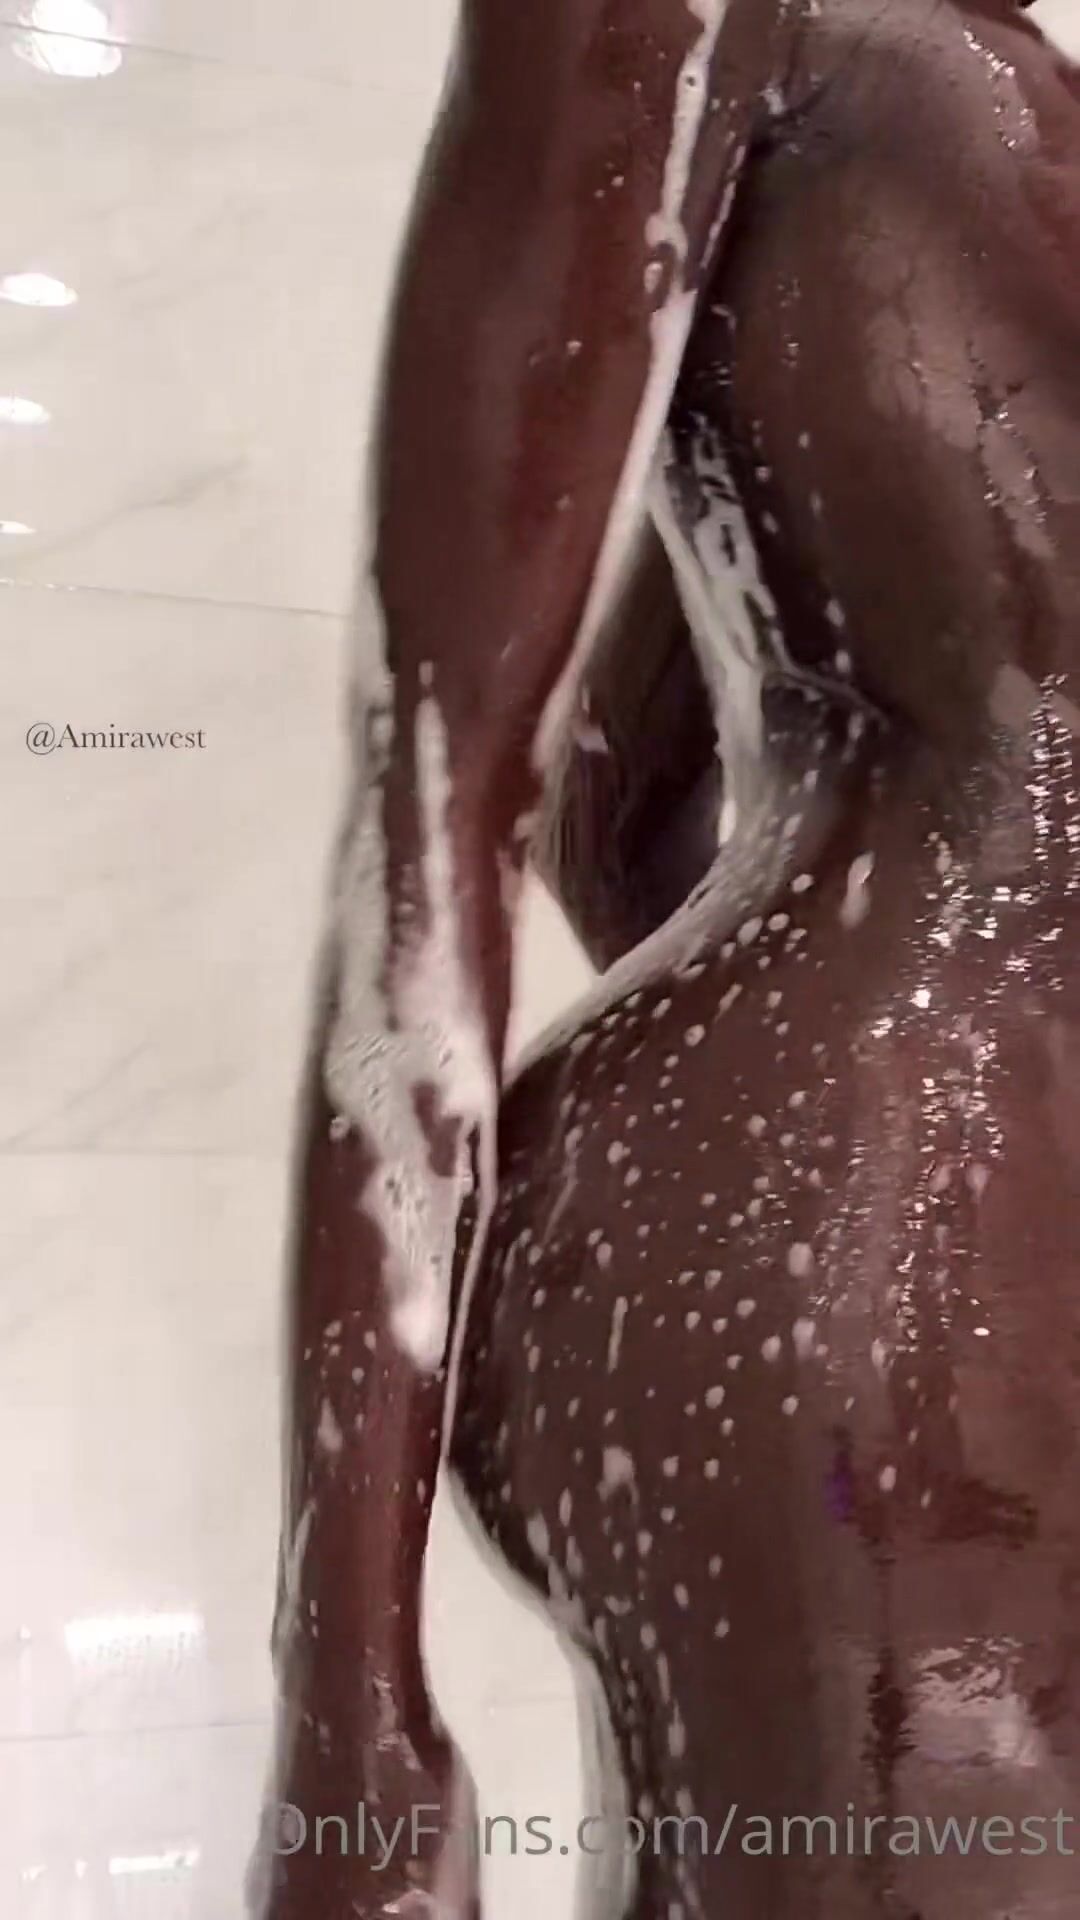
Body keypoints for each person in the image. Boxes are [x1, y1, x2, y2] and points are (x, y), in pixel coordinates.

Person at [251, 2, 1080, 1914]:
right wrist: (344, 1706)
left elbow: (617, 799)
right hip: (885, 1283)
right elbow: (439, 803)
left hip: (934, 1218)